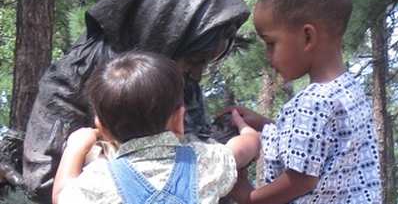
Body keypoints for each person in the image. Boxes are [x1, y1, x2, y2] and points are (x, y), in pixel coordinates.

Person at [23, 0, 249, 203]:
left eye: (205, 63)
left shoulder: (178, 86)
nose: (198, 75)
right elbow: (42, 181)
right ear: (161, 32)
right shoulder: (68, 85)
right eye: (194, 60)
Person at [221, 0, 382, 204]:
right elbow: (320, 145)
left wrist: (249, 197)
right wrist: (267, 125)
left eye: (271, 43)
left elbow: (300, 180)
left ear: (307, 37)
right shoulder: (349, 89)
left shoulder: (311, 102)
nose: (268, 56)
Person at [51, 51, 260, 204]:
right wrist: (248, 131)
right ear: (179, 119)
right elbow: (244, 147)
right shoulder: (204, 160)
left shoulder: (99, 178)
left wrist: (75, 148)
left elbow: (61, 196)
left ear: (102, 128)